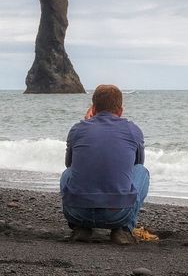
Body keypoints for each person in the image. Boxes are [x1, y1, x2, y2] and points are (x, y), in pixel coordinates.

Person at [60, 84, 149, 245]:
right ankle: (124, 229)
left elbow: (69, 164)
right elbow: (137, 163)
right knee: (141, 171)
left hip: (77, 212)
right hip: (118, 214)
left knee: (68, 172)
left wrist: (86, 124)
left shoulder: (77, 129)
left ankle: (81, 227)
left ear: (93, 108)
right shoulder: (133, 130)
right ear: (120, 110)